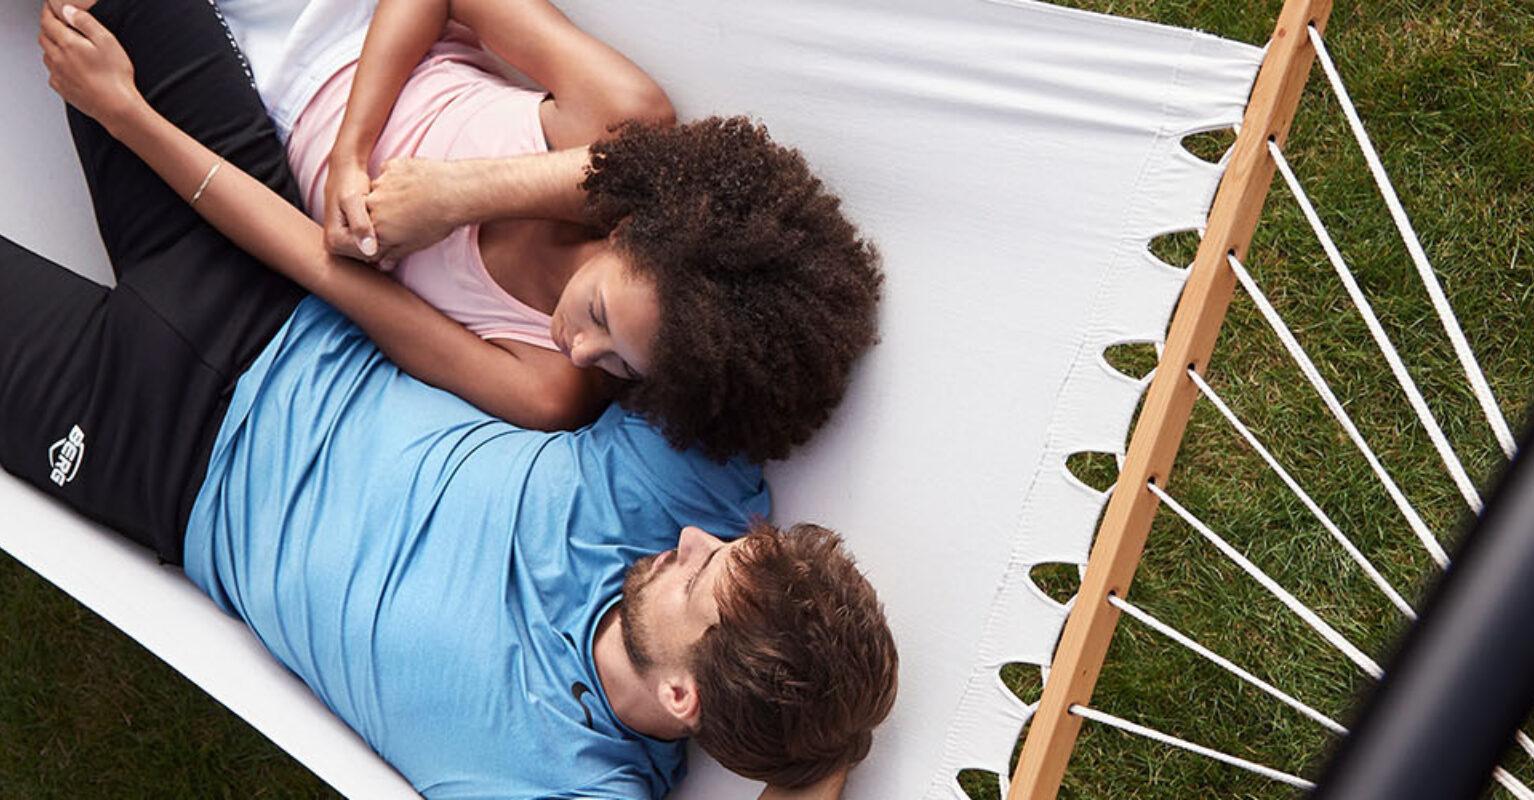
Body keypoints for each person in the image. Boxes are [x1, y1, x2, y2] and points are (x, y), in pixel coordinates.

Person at [10, 1, 897, 797]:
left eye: (703, 572)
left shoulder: (567, 777)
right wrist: (828, 732)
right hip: (274, 292)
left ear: (681, 695)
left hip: (148, 457)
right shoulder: (684, 497)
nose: (698, 543)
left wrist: (812, 766)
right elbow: (691, 202)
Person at [210, 0, 886, 463]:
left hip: (248, 120)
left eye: (622, 366)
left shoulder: (547, 387)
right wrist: (419, 182)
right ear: (639, 233)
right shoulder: (623, 120)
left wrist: (347, 226)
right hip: (349, 25)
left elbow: (334, 279)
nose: (583, 349)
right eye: (599, 315)